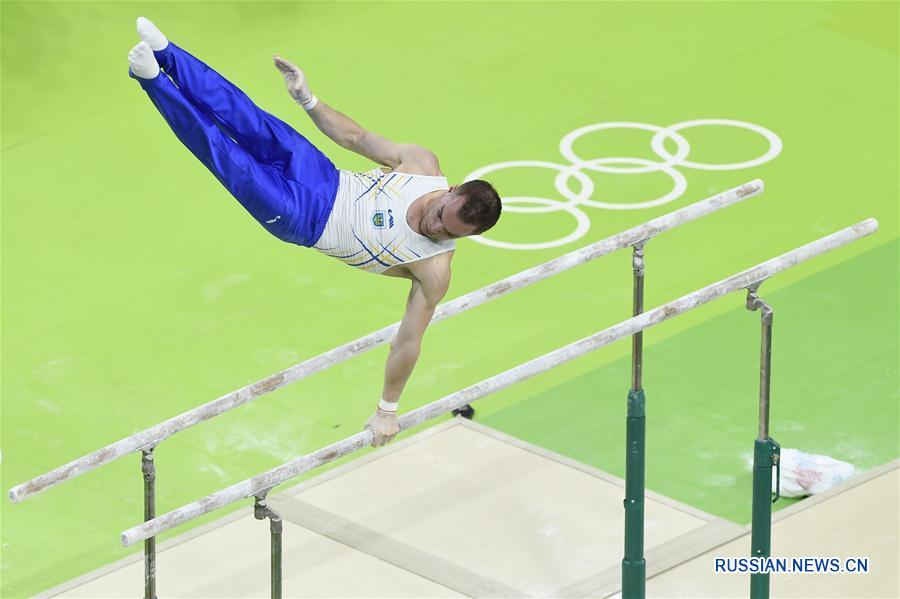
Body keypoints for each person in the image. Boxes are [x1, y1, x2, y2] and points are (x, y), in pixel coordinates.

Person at [126, 18, 502, 448]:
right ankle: (169, 54)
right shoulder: (421, 166)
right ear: (449, 189)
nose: (434, 227)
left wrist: (387, 410)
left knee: (227, 156)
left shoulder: (433, 269)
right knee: (251, 121)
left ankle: (153, 81)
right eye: (440, 214)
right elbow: (355, 136)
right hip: (324, 176)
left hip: (303, 219)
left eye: (446, 231)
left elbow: (407, 341)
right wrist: (308, 99)